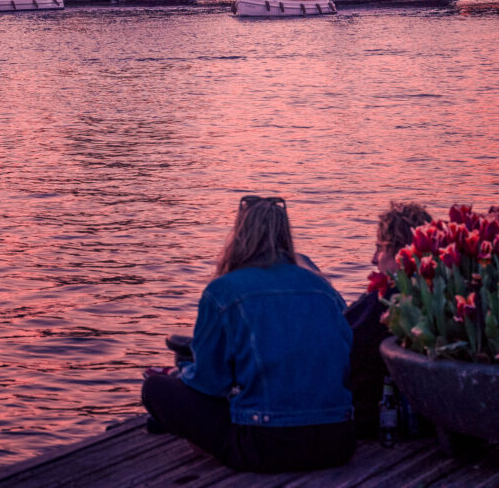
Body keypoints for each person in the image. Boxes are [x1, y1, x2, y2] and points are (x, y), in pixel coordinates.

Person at [141, 196, 356, 473]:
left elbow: (209, 383)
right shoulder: (323, 288)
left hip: (266, 445)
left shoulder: (222, 291)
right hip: (337, 441)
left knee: (156, 389)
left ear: (239, 236)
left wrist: (180, 375)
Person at [344, 201, 431, 438]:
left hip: (375, 418)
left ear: (400, 252)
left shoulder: (383, 304)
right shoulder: (439, 298)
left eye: (379, 248)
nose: (373, 259)